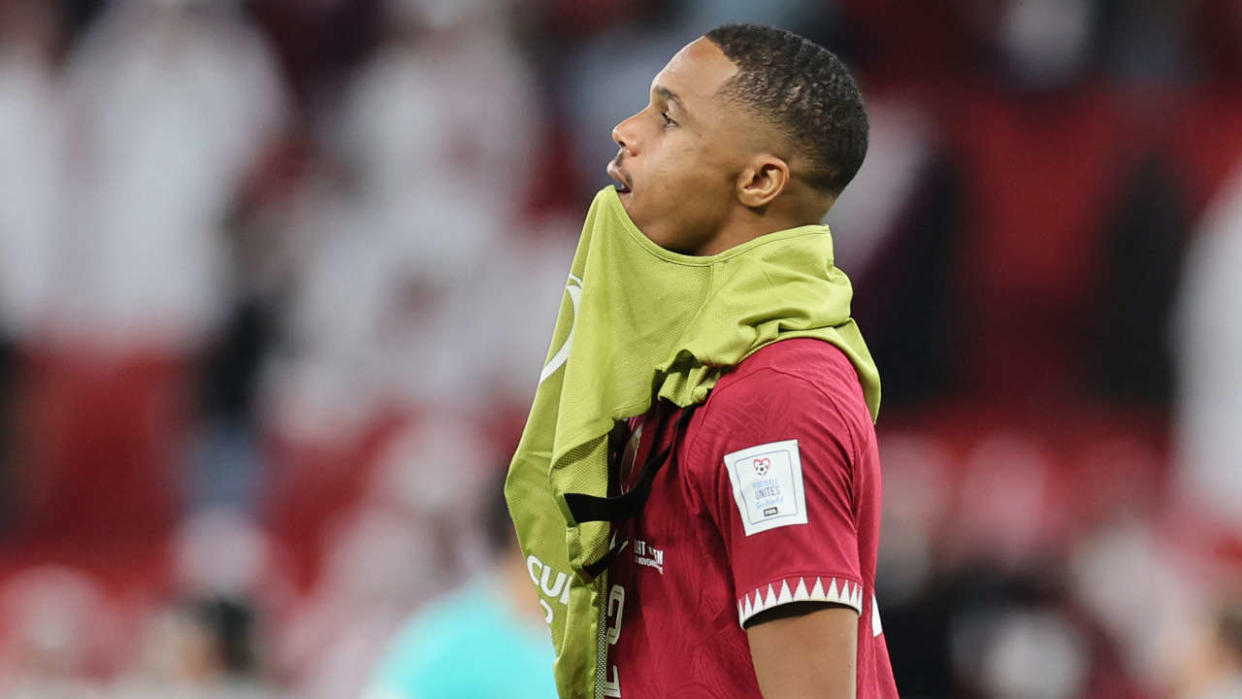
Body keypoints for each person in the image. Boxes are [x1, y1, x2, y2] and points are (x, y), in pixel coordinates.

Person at [506, 23, 897, 699]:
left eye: (668, 117)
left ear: (759, 179)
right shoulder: (687, 371)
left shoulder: (778, 400)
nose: (625, 130)